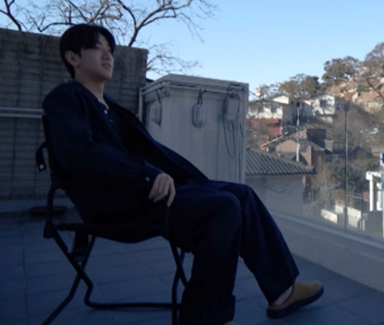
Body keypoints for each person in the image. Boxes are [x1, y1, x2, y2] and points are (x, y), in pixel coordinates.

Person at [42, 24, 323, 325]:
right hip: (115, 204)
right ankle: (206, 318)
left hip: (143, 194)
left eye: (109, 49)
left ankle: (283, 290)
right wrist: (147, 174)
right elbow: (79, 154)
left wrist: (170, 176)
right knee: (222, 208)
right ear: (73, 57)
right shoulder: (65, 99)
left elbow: (146, 154)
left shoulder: (112, 109)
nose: (107, 55)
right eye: (97, 48)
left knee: (242, 194)